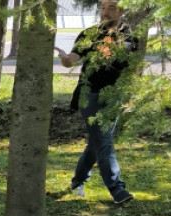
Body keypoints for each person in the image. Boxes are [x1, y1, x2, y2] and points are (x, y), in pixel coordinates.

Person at [57, 0, 137, 204]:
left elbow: (131, 68)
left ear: (122, 10)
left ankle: (77, 181)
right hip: (89, 95)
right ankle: (117, 189)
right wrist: (66, 59)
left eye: (111, 7)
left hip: (114, 97)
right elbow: (73, 59)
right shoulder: (89, 34)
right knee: (104, 140)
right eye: (102, 7)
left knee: (96, 143)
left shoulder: (130, 35)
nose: (105, 12)